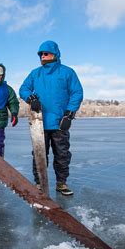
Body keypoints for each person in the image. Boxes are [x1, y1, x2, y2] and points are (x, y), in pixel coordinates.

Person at [19, 40, 83, 196]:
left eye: (45, 53)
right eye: (40, 54)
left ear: (55, 53)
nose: (42, 56)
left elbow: (77, 93)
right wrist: (30, 98)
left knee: (62, 155)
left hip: (60, 123)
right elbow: (23, 89)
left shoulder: (67, 72)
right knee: (39, 155)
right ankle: (39, 183)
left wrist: (69, 113)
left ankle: (61, 183)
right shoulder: (36, 73)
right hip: (39, 124)